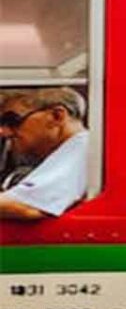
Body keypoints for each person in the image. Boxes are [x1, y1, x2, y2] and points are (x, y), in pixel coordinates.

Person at [0, 88, 90, 220]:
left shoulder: (82, 147)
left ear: (57, 116)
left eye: (13, 121)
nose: (4, 132)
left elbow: (26, 205)